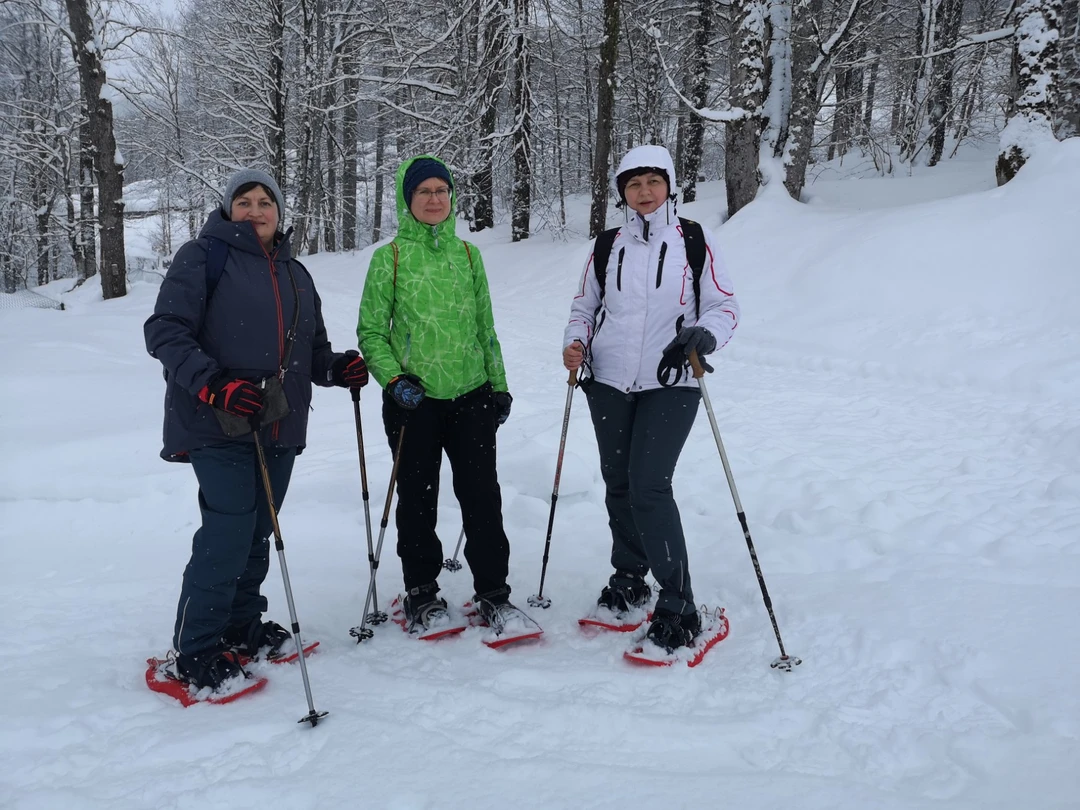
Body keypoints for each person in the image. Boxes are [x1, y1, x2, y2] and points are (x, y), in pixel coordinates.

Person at [145, 168, 369, 691]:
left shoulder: (296, 273)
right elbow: (164, 331)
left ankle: (242, 626)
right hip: (216, 419)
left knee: (258, 530)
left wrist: (335, 368)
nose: (256, 209)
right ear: (228, 210)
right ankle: (195, 650)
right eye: (244, 201)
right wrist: (214, 384)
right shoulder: (203, 257)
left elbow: (308, 351)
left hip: (278, 423)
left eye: (265, 200)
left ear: (279, 211)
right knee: (227, 532)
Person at [562, 144, 740, 652]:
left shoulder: (694, 240)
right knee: (618, 482)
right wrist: (576, 342)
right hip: (609, 380)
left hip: (672, 379)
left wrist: (705, 335)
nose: (644, 192)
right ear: (622, 192)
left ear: (669, 187)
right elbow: (585, 306)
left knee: (649, 486)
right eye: (633, 184)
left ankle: (679, 604)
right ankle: (630, 576)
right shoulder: (605, 245)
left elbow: (724, 305)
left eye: (653, 182)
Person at [358, 155, 521, 635]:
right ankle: (422, 594)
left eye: (442, 191)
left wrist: (500, 386)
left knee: (482, 499)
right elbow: (371, 332)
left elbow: (485, 328)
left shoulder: (469, 256)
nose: (434, 199)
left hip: (471, 397)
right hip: (414, 400)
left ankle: (494, 594)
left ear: (452, 198)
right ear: (408, 201)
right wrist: (393, 380)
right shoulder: (388, 257)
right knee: (417, 499)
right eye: (424, 191)